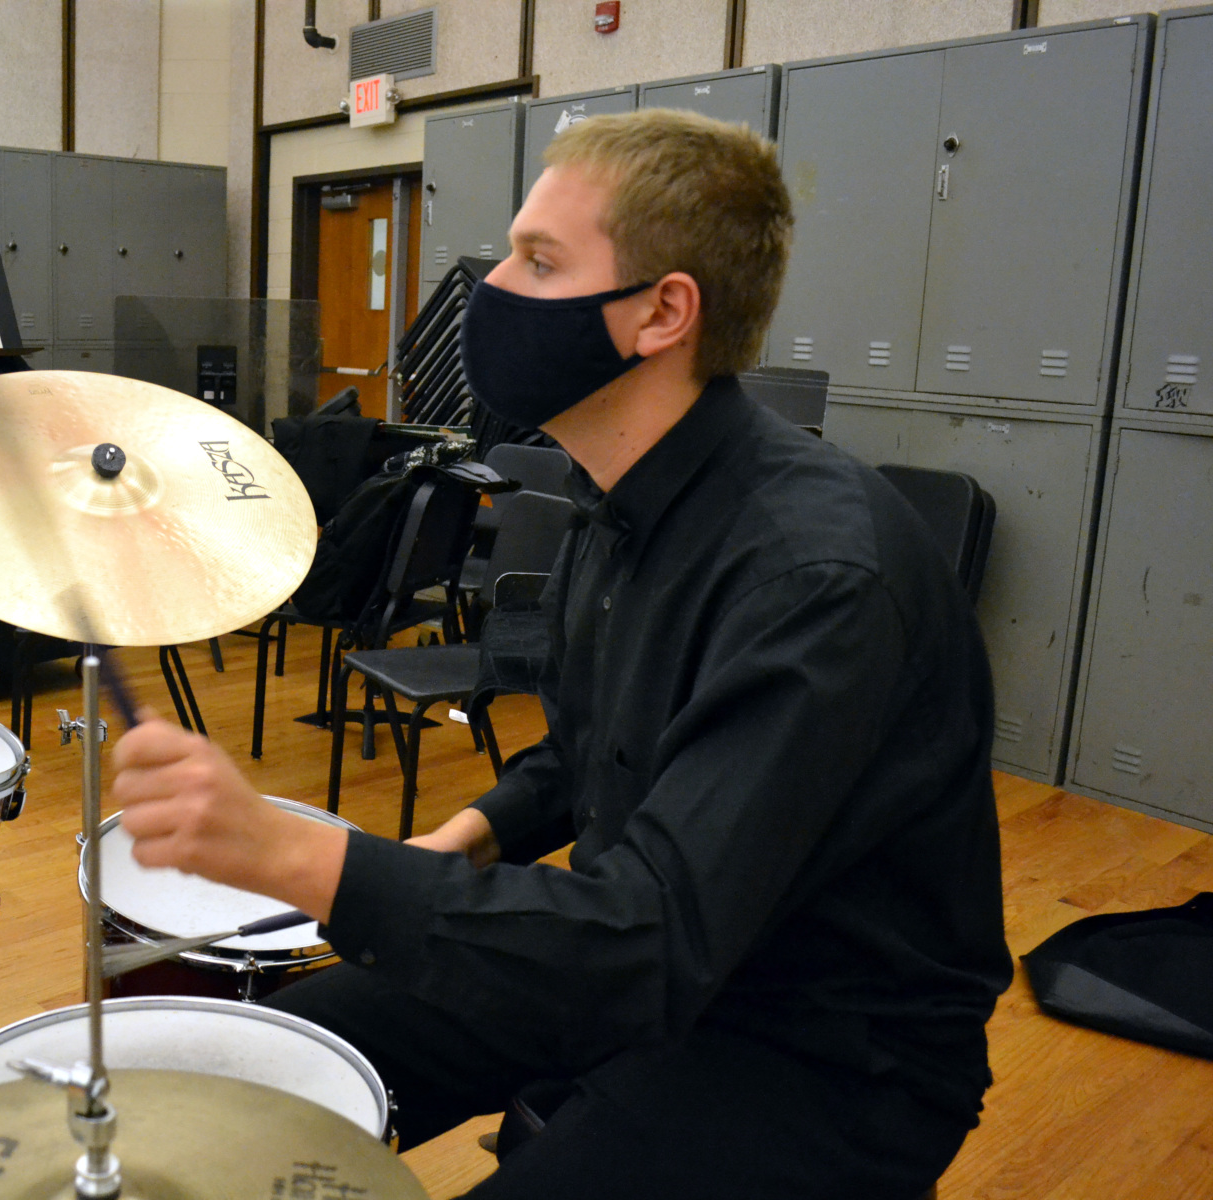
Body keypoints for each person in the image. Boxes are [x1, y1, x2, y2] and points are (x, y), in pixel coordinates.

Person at [110, 108, 1012, 1198]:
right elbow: (593, 750)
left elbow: (650, 939)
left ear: (661, 313)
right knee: (250, 1076)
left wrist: (287, 853)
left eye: (540, 261)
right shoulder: (618, 498)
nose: (495, 288)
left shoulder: (814, 581)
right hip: (637, 960)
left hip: (820, 1051)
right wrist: (472, 837)